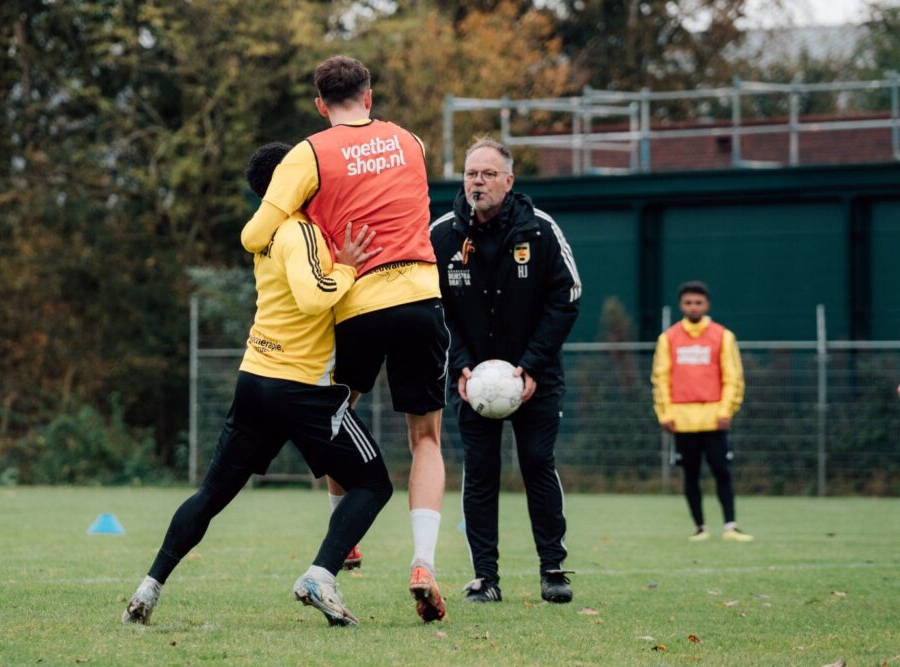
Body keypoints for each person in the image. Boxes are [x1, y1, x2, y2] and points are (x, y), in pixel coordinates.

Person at [121, 143, 393, 627]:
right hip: (301, 387)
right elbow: (314, 297)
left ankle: (150, 585)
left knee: (212, 493)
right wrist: (349, 267)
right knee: (374, 482)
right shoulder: (301, 232)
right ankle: (320, 574)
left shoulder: (266, 234)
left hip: (255, 379)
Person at [240, 56, 449, 622]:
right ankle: (424, 561)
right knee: (425, 438)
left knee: (337, 415)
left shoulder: (310, 153)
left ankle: (346, 537)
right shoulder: (410, 142)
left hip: (357, 304)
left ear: (318, 104)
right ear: (370, 96)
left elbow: (256, 231)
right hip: (420, 295)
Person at [429, 138, 582, 604]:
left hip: (534, 377)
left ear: (509, 181)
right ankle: (485, 578)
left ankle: (553, 569)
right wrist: (460, 365)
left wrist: (532, 364)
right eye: (472, 174)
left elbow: (568, 295)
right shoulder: (442, 235)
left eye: (489, 174)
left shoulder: (539, 229)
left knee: (537, 463)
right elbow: (433, 305)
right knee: (479, 470)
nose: (478, 181)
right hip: (471, 380)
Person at [651, 281, 752, 542]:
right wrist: (665, 414)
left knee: (722, 471)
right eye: (688, 303)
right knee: (691, 474)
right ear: (681, 306)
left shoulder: (722, 336)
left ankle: (730, 526)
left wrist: (727, 410)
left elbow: (733, 376)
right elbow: (661, 378)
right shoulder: (669, 338)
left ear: (706, 305)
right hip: (682, 420)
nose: (693, 307)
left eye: (698, 302)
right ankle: (700, 528)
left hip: (714, 418)